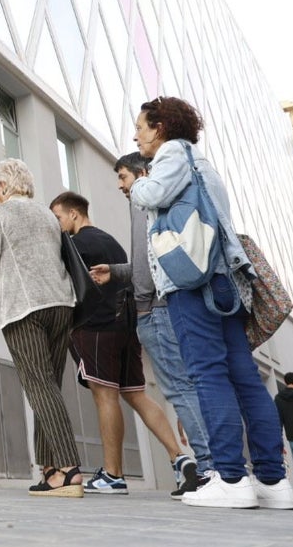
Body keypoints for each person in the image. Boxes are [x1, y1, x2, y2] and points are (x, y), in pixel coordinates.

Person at [131, 95, 293, 510]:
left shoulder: (171, 153)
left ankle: (230, 477)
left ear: (161, 127)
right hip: (226, 282)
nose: (136, 134)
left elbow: (150, 194)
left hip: (191, 281)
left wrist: (138, 181)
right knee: (244, 378)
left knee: (206, 375)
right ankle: (274, 482)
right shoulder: (206, 164)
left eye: (141, 126)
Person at [50, 190, 194, 496]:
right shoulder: (111, 241)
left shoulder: (75, 244)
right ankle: (180, 458)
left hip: (95, 326)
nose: (57, 224)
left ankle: (113, 475)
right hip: (127, 325)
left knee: (106, 397)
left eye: (58, 217)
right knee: (136, 395)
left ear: (74, 214)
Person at [89, 152, 211, 497]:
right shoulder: (159, 198)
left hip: (155, 309)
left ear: (143, 174)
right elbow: (147, 261)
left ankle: (209, 467)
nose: (120, 186)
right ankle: (207, 466)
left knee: (180, 388)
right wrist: (117, 272)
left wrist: (141, 299)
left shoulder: (145, 199)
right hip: (158, 306)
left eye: (124, 177)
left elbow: (150, 265)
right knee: (180, 387)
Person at [0, 159, 83, 498]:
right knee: (48, 387)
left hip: (24, 307)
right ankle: (49, 469)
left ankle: (68, 468)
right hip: (61, 305)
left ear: (5, 186)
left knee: (38, 386)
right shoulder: (48, 216)